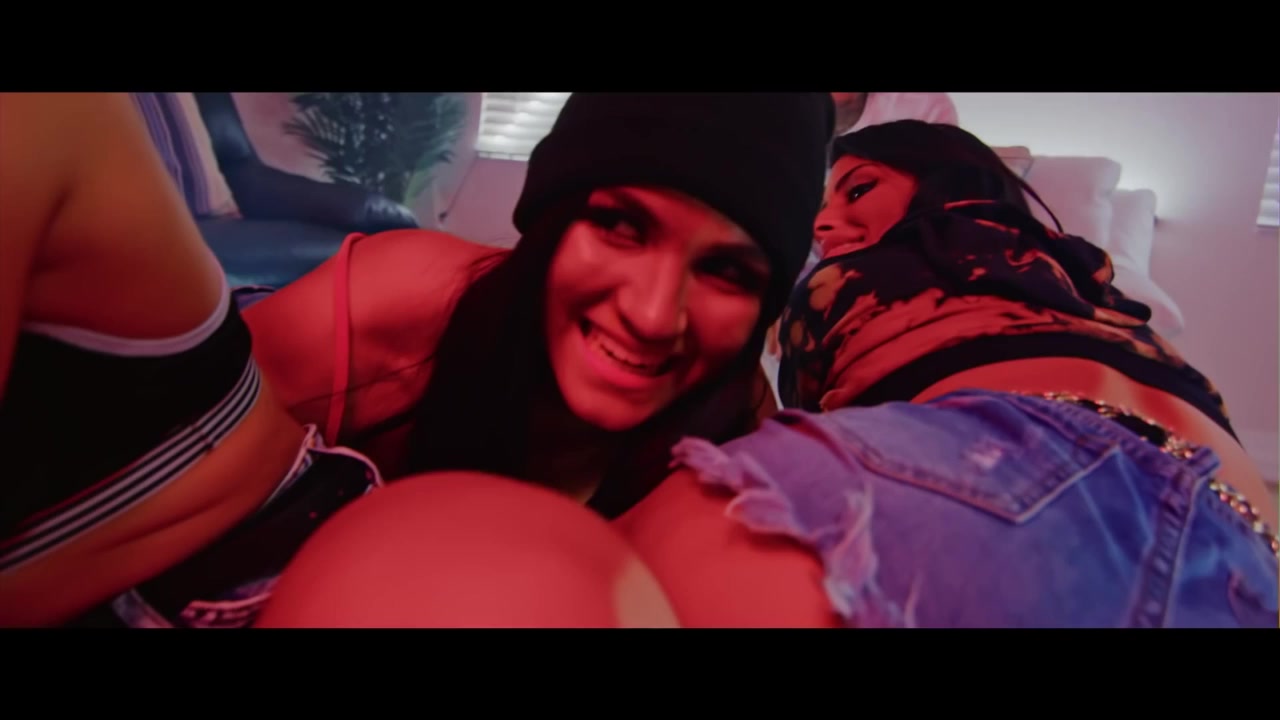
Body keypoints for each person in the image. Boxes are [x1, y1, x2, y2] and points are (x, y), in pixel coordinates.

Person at [259, 119, 1277, 628]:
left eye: (856, 190)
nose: (829, 224)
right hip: (1248, 549)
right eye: (620, 226)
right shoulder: (1101, 299)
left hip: (1000, 465)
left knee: (450, 568)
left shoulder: (884, 273)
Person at [0, 92, 835, 628]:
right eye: (621, 225)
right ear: (547, 222)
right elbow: (172, 467)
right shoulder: (407, 299)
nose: (653, 314)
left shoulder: (740, 471)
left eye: (728, 272)